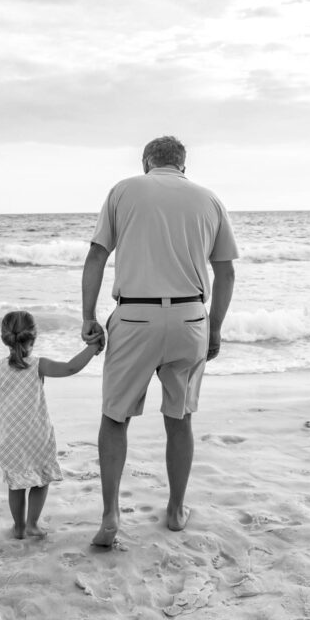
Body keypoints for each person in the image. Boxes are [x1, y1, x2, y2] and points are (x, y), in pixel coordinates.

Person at [81, 135, 238, 547]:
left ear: (147, 161)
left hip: (134, 315)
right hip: (189, 317)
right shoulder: (209, 199)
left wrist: (88, 317)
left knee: (115, 417)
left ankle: (112, 513)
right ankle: (175, 509)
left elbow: (96, 256)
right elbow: (226, 273)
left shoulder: (123, 190)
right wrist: (215, 327)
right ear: (183, 165)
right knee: (180, 418)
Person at [0, 310, 102, 539]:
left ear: (5, 338)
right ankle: (32, 524)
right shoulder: (38, 365)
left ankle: (19, 528)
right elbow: (70, 368)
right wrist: (92, 348)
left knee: (16, 484)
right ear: (33, 337)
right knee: (40, 480)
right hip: (37, 437)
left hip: (8, 440)